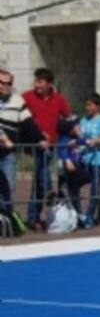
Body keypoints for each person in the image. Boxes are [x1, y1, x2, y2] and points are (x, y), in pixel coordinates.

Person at [23, 68, 71, 228]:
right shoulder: (27, 97)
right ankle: (50, 191)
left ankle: (32, 217)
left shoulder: (58, 99)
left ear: (49, 84)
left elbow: (68, 116)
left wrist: (72, 131)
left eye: (40, 82)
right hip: (34, 143)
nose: (36, 85)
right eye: (35, 81)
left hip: (51, 143)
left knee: (38, 180)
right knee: (41, 171)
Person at [0, 68, 41, 214]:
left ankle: (7, 221)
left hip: (8, 153)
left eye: (8, 83)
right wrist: (3, 138)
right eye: (2, 83)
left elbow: (28, 123)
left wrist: (41, 139)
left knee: (9, 188)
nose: (5, 86)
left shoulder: (17, 100)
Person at [79, 93, 100, 226]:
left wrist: (95, 141)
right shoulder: (83, 120)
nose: (88, 107)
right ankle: (77, 213)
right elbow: (79, 135)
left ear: (97, 106)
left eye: (90, 105)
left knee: (95, 187)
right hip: (84, 158)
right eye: (86, 105)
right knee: (75, 185)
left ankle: (90, 216)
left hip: (98, 159)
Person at [55, 116, 90, 225]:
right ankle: (66, 217)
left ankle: (77, 215)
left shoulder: (72, 138)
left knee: (75, 193)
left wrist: (87, 141)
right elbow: (61, 149)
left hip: (74, 165)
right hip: (67, 167)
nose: (79, 127)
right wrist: (67, 160)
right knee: (83, 179)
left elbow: (81, 140)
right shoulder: (64, 139)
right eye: (76, 126)